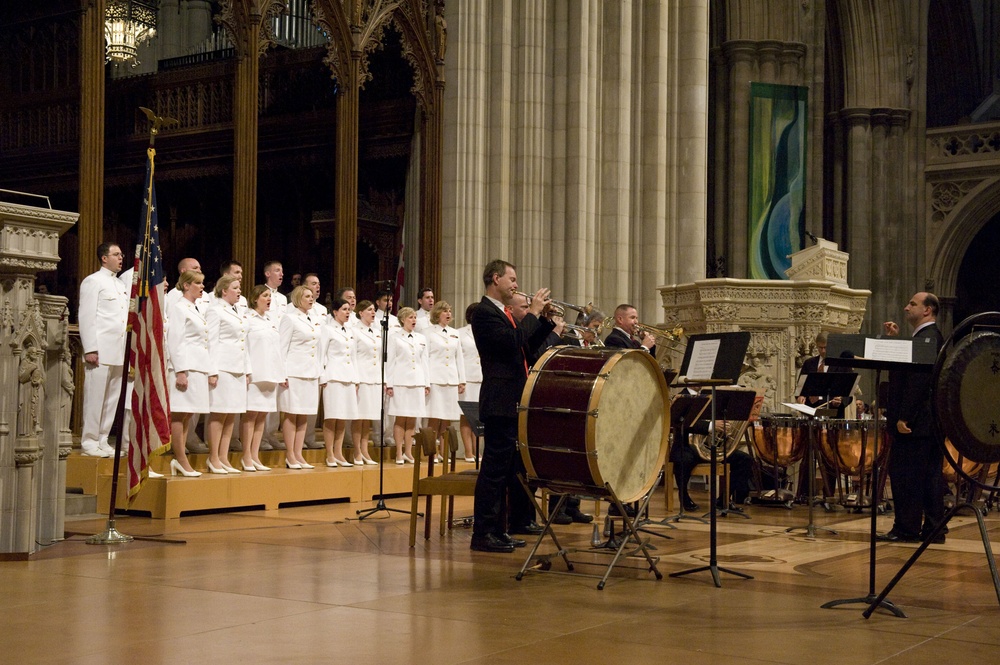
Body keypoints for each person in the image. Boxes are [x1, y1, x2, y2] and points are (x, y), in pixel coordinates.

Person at [470, 259, 554, 553]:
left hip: (513, 401)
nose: (517, 285)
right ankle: (482, 533)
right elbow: (509, 342)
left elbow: (526, 349)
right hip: (499, 400)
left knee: (506, 470)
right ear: (496, 279)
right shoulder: (483, 313)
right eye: (513, 279)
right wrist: (532, 312)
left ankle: (499, 530)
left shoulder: (503, 313)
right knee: (493, 470)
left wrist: (545, 322)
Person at [878, 292, 946, 544]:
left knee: (907, 475)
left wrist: (904, 416)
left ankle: (907, 528)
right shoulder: (927, 337)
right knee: (929, 476)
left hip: (916, 424)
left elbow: (919, 381)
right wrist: (896, 341)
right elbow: (913, 366)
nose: (906, 307)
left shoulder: (927, 338)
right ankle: (934, 528)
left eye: (913, 304)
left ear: (927, 310)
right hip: (927, 424)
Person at [78, 242, 131, 457]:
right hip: (100, 349)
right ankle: (89, 440)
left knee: (112, 399)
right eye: (116, 254)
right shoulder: (93, 281)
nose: (121, 258)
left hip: (118, 349)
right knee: (95, 397)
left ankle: (103, 438)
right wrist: (90, 348)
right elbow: (87, 316)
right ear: (104, 258)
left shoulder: (120, 285)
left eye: (121, 254)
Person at [166, 270, 216, 476]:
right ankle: (180, 458)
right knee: (179, 413)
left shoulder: (195, 308)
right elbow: (176, 341)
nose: (202, 287)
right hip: (185, 367)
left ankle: (181, 458)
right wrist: (180, 371)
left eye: (203, 283)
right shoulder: (179, 308)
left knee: (188, 414)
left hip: (198, 366)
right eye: (198, 283)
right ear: (186, 286)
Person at [205, 275, 249, 474]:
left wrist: (247, 369)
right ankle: (213, 457)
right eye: (235, 288)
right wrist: (212, 371)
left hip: (237, 367)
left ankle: (223, 456)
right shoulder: (215, 310)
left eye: (239, 288)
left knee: (231, 413)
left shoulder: (237, 311)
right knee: (219, 412)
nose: (239, 291)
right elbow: (212, 341)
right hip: (223, 367)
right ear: (224, 291)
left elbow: (243, 342)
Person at [277, 285, 322, 469]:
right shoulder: (290, 318)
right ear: (298, 298)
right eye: (307, 296)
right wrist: (282, 373)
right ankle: (290, 455)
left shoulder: (313, 319)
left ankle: (298, 453)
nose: (311, 299)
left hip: (310, 372)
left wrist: (319, 372)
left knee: (304, 413)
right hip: (294, 372)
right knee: (292, 412)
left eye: (312, 296)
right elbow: (282, 348)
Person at [240, 284, 283, 471]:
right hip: (255, 374)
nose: (269, 299)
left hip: (270, 373)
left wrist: (281, 374)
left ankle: (255, 455)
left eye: (270, 296)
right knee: (251, 416)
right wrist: (247, 371)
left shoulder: (270, 320)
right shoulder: (248, 319)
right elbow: (245, 348)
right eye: (265, 295)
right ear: (255, 298)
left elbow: (276, 350)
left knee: (262, 417)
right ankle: (246, 456)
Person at [385, 307, 429, 464]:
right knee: (401, 416)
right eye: (411, 317)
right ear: (403, 319)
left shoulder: (421, 338)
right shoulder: (395, 337)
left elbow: (424, 362)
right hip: (400, 381)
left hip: (417, 381)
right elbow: (390, 361)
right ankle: (398, 451)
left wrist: (426, 383)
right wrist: (389, 383)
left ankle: (408, 452)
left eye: (415, 317)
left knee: (412, 418)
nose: (414, 320)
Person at [320, 298, 360, 467]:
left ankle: (338, 452)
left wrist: (356, 378)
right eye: (344, 309)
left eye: (349, 309)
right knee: (332, 416)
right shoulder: (327, 330)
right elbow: (321, 354)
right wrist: (322, 376)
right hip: (333, 376)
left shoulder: (350, 331)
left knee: (343, 416)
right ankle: (329, 453)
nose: (348, 312)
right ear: (335, 312)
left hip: (348, 376)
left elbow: (354, 357)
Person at [424, 301, 466, 461]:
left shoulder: (455, 333)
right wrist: (426, 381)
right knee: (434, 416)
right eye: (444, 311)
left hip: (451, 379)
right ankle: (430, 452)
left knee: (447, 417)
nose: (448, 314)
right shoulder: (428, 333)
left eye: (450, 311)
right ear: (437, 314)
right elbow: (425, 358)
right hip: (435, 378)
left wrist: (461, 380)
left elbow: (459, 358)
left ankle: (443, 451)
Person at [350, 300, 381, 465]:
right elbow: (353, 356)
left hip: (374, 378)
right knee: (359, 416)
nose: (373, 312)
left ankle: (365, 450)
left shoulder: (376, 331)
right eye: (369, 310)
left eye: (374, 310)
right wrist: (355, 379)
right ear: (361, 313)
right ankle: (357, 452)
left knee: (368, 416)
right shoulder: (355, 331)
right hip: (361, 377)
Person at [302, 273, 329, 450]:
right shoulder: (292, 309)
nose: (317, 286)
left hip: (318, 360)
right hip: (301, 362)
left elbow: (324, 338)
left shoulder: (322, 310)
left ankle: (309, 436)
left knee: (313, 404)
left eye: (318, 284)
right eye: (313, 283)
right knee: (299, 405)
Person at [458, 303, 482, 462]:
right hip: (467, 378)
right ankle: (468, 451)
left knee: (479, 416)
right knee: (466, 415)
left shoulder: (486, 331)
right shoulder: (460, 333)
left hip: (481, 377)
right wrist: (460, 379)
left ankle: (477, 450)